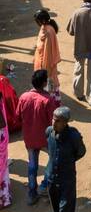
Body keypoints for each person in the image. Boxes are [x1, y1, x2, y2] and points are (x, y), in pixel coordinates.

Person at [45, 106, 86, 212]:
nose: (53, 122)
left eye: (57, 120)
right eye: (53, 118)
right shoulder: (49, 132)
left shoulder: (73, 136)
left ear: (65, 123)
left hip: (67, 181)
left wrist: (67, 162)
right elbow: (48, 148)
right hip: (51, 179)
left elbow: (81, 152)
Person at [19, 69, 57, 204]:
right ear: (44, 83)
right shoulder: (48, 100)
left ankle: (31, 194)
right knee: (54, 158)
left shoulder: (23, 97)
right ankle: (44, 185)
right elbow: (54, 120)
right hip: (44, 138)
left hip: (29, 137)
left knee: (32, 165)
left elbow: (19, 115)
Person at [34, 9, 61, 91]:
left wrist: (44, 69)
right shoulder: (44, 27)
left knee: (48, 84)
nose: (37, 23)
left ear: (43, 20)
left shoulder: (48, 32)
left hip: (46, 64)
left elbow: (47, 53)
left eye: (37, 21)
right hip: (42, 62)